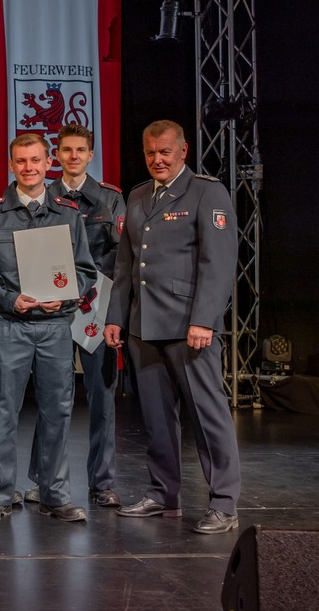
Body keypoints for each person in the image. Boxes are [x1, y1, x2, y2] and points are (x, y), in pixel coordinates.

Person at [104, 120, 240, 535]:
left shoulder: (206, 192)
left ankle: (223, 502)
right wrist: (115, 317)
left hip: (188, 326)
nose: (157, 160)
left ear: (184, 150)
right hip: (145, 325)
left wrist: (204, 319)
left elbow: (217, 264)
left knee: (207, 415)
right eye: (150, 153)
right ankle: (163, 492)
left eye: (164, 151)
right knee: (157, 417)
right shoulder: (139, 195)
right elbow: (126, 265)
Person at [0, 134, 95, 523]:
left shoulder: (68, 214)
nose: (29, 167)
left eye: (36, 160)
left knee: (58, 410)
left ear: (48, 161)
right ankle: (0, 495)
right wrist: (8, 299)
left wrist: (66, 297)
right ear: (11, 164)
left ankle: (55, 493)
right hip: (8, 324)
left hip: (55, 326)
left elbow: (86, 271)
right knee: (3, 410)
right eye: (21, 161)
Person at [22, 125, 125, 508]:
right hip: (53, 312)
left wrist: (97, 293)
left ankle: (102, 483)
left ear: (90, 154)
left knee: (102, 400)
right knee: (52, 399)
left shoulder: (110, 199)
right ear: (55, 157)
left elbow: (122, 256)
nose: (73, 156)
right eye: (65, 150)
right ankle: (43, 479)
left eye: (80, 150)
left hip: (97, 309)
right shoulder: (41, 197)